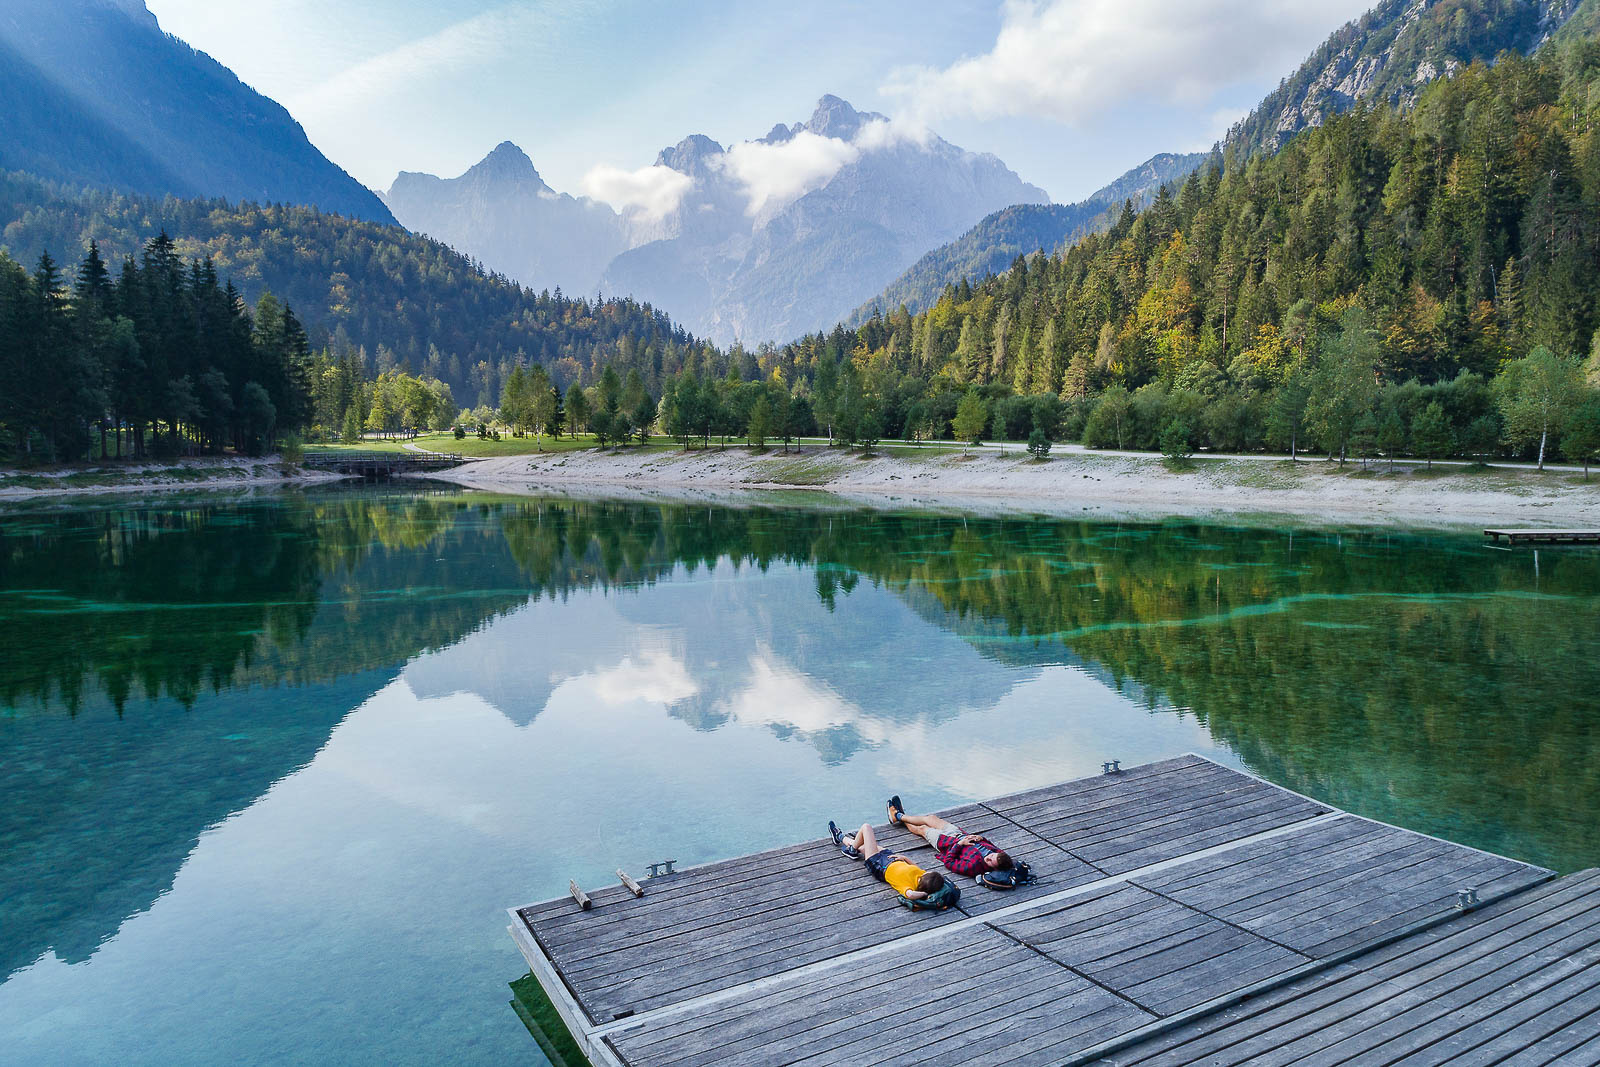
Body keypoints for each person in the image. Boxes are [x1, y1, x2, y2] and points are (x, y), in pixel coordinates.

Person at [887, 795, 1015, 880]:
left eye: (991, 860)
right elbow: (989, 845)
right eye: (992, 855)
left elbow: (949, 863)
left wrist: (960, 845)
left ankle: (898, 815)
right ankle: (899, 815)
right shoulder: (998, 854)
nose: (990, 856)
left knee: (923, 829)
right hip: (958, 833)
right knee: (931, 818)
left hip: (945, 843)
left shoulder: (974, 867)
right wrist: (980, 838)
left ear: (995, 868)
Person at [828, 819, 950, 906]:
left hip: (879, 865)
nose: (927, 871)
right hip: (889, 858)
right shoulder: (920, 875)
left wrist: (923, 894)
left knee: (866, 828)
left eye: (929, 872)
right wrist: (904, 858)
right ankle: (840, 838)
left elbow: (910, 895)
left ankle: (849, 847)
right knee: (862, 845)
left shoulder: (909, 886)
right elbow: (915, 866)